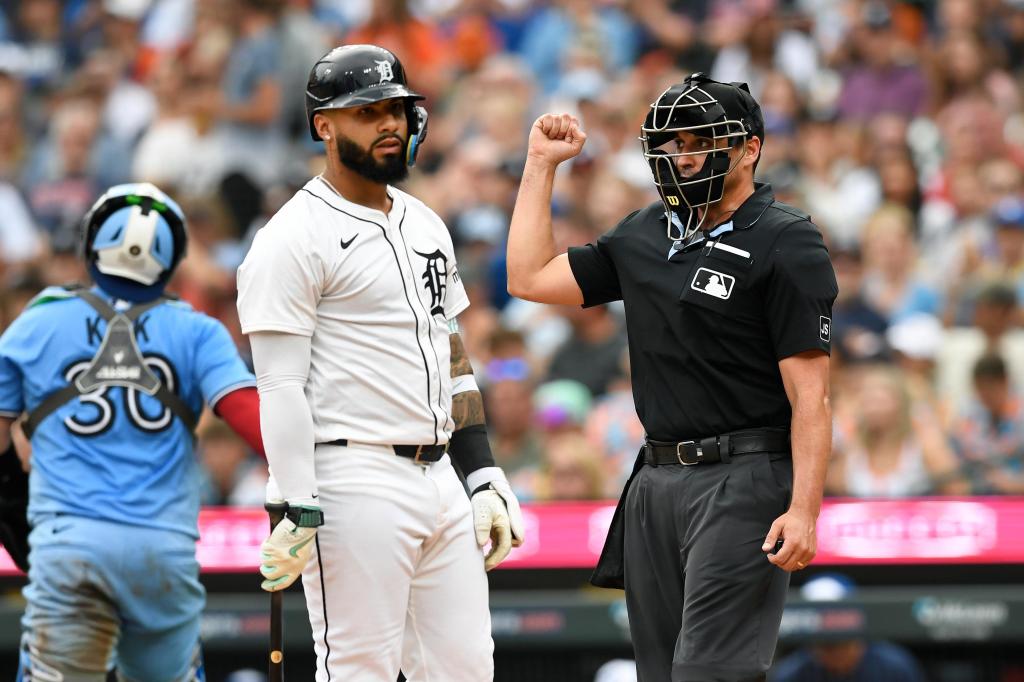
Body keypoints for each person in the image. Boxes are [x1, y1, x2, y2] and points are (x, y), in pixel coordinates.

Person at [507, 72, 838, 681]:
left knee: (707, 673)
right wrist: (540, 165)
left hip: (744, 475)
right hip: (655, 479)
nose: (682, 156)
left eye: (699, 142)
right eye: (673, 143)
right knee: (659, 674)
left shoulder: (787, 239)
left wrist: (804, 510)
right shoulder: (643, 231)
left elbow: (811, 396)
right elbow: (529, 277)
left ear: (749, 148)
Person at [235, 44, 525, 681]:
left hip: (440, 473)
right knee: (359, 670)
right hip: (352, 474)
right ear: (324, 126)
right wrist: (298, 501)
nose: (389, 123)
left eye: (396, 108)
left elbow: (450, 353)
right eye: (367, 112)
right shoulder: (291, 236)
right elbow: (278, 383)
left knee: (467, 670)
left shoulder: (425, 222)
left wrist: (482, 472)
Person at [0, 182, 265, 681]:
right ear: (172, 259)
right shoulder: (197, 330)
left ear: (91, 245)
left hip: (69, 548)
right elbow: (252, 420)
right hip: (160, 552)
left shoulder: (40, 321)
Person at [771, 574, 927, 682]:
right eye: (824, 646)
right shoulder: (793, 672)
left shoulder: (893, 666)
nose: (834, 653)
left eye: (838, 645)